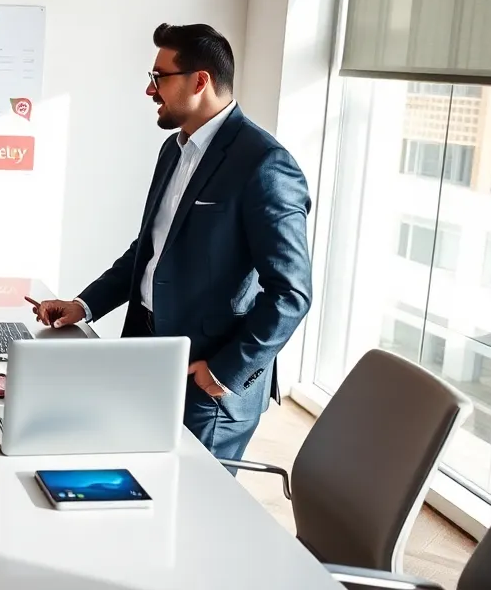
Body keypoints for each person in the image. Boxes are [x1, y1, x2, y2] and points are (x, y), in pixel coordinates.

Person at [31, 23, 312, 462]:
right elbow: (149, 252)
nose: (149, 90)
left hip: (205, 378)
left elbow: (291, 293)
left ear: (200, 81)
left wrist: (226, 370)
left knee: (190, 509)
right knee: (133, 479)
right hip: (145, 350)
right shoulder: (174, 150)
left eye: (159, 77)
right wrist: (83, 306)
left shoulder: (265, 165)